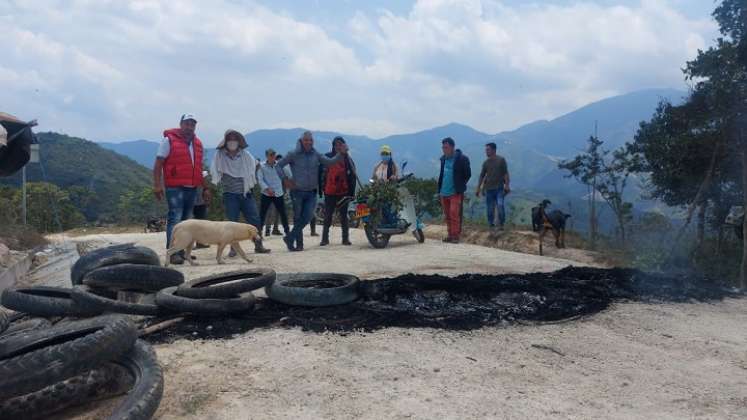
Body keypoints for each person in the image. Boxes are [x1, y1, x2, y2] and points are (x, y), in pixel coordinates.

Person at [153, 113, 211, 265]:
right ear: (180, 124)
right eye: (187, 123)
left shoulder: (198, 144)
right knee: (175, 218)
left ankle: (182, 252)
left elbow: (199, 168)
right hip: (175, 186)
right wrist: (157, 185)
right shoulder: (169, 140)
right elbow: (159, 163)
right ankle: (172, 253)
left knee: (186, 222)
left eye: (192, 124)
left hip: (192, 187)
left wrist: (205, 188)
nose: (189, 127)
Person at [277, 131, 347, 251]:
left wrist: (341, 154)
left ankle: (290, 237)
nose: (308, 142)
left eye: (310, 140)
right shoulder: (293, 153)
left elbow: (329, 162)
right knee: (298, 218)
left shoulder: (316, 154)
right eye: (306, 140)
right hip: (297, 191)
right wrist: (284, 180)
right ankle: (298, 245)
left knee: (308, 216)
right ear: (301, 141)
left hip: (311, 192)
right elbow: (278, 165)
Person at [209, 129, 270, 254]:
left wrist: (249, 175)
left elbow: (255, 165)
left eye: (234, 139)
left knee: (254, 220)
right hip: (229, 194)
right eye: (230, 139)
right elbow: (214, 170)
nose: (232, 142)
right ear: (226, 141)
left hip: (246, 193)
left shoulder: (245, 155)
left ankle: (258, 245)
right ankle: (233, 249)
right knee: (232, 223)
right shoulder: (220, 155)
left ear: (238, 141)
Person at [319, 136, 357, 246]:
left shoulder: (348, 159)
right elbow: (321, 174)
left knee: (344, 216)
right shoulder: (328, 157)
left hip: (343, 192)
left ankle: (345, 239)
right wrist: (321, 189)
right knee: (328, 216)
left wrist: (351, 193)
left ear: (344, 145)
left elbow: (352, 177)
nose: (338, 146)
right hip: (329, 192)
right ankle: (324, 239)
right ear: (333, 146)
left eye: (340, 144)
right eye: (336, 144)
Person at [437, 137, 471, 244]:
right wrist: (439, 189)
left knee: (454, 213)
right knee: (447, 215)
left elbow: (468, 174)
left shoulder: (462, 159)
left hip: (455, 192)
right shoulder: (443, 159)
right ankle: (450, 235)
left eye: (446, 147)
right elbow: (442, 175)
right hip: (444, 191)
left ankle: (455, 236)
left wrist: (460, 185)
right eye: (443, 147)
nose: (444, 149)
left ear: (452, 147)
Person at [476, 142, 510, 230]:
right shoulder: (486, 163)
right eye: (486, 150)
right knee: (490, 209)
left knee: (500, 206)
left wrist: (507, 185)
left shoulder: (501, 160)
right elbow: (482, 175)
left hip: (499, 188)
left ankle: (501, 224)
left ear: (494, 150)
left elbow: (505, 173)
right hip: (489, 190)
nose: (486, 152)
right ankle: (491, 225)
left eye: (488, 150)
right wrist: (479, 188)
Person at [257, 148, 291, 237]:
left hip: (278, 193)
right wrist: (267, 189)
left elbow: (289, 175)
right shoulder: (262, 166)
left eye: (274, 155)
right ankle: (258, 234)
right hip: (266, 193)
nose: (272, 157)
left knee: (283, 213)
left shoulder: (280, 166)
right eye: (270, 155)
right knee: (262, 214)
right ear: (267, 156)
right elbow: (260, 180)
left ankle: (287, 232)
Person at [193, 171, 210, 249]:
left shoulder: (204, 186)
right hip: (192, 203)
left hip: (200, 203)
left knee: (201, 224)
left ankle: (200, 243)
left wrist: (206, 201)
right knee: (194, 224)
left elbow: (206, 193)